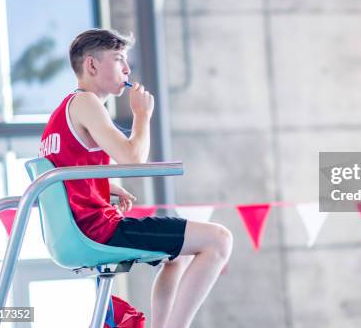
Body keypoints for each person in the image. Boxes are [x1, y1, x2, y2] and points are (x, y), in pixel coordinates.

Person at [38, 28, 233, 328]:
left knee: (177, 256)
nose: (127, 69)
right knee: (219, 240)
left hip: (75, 231)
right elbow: (133, 160)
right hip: (96, 230)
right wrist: (142, 115)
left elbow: (65, 173)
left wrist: (105, 187)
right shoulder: (86, 103)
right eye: (119, 59)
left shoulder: (63, 112)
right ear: (91, 65)